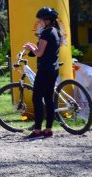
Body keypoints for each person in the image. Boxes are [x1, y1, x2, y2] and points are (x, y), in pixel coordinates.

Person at [23, 7, 63, 139]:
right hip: (53, 69)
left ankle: (37, 130)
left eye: (40, 20)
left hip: (44, 70)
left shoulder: (46, 33)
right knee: (48, 99)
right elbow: (46, 50)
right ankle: (48, 129)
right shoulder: (56, 31)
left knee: (37, 98)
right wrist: (34, 48)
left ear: (46, 20)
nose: (39, 22)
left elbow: (39, 53)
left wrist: (30, 48)